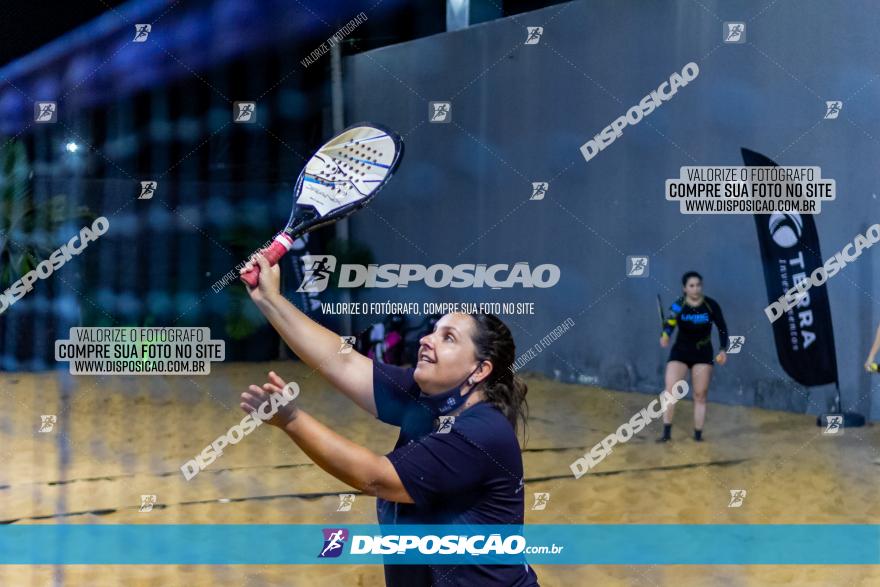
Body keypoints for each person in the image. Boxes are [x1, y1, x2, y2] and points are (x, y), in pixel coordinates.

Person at [239, 253, 539, 587]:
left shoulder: (481, 433)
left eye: (448, 337)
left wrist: (291, 418)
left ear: (479, 370)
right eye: (434, 331)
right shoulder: (427, 396)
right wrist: (270, 300)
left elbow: (375, 478)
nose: (427, 339)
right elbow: (343, 363)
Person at [658, 271, 728, 442]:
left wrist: (723, 349)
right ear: (684, 288)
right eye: (691, 286)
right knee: (670, 391)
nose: (696, 289)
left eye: (698, 285)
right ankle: (666, 433)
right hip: (680, 352)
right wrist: (666, 335)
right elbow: (670, 323)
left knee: (700, 395)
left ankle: (698, 435)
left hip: (702, 354)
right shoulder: (678, 305)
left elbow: (722, 328)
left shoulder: (711, 305)